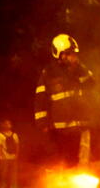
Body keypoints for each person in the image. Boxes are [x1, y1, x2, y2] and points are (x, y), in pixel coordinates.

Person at [35, 33, 95, 168]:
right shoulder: (49, 73)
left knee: (78, 162)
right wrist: (43, 123)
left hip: (79, 126)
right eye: (69, 53)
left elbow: (92, 84)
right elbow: (40, 98)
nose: (73, 56)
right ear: (59, 54)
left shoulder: (79, 69)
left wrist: (80, 67)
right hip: (59, 128)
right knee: (60, 162)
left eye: (73, 53)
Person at [0, 120, 20, 188]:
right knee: (3, 175)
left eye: (9, 124)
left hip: (13, 157)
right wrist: (1, 155)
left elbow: (17, 145)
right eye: (6, 124)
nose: (8, 125)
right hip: (4, 158)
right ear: (3, 125)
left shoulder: (14, 135)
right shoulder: (0, 135)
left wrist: (17, 154)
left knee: (13, 175)